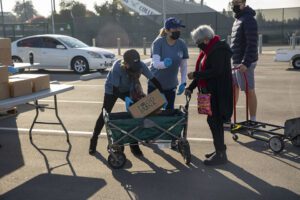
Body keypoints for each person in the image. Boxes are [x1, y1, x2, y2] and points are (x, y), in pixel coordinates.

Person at [89, 49, 162, 156]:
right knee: (105, 112)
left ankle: (133, 144)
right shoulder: (117, 67)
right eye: (132, 67)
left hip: (129, 89)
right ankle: (94, 139)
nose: (135, 69)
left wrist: (162, 92)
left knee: (135, 114)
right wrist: (127, 100)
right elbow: (115, 90)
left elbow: (153, 79)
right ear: (126, 64)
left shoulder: (140, 65)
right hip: (112, 89)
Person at [185, 25, 233, 166]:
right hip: (209, 93)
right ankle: (219, 150)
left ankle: (220, 154)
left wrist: (195, 75)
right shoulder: (209, 50)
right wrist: (192, 87)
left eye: (197, 42)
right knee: (213, 122)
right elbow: (204, 70)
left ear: (206, 40)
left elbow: (215, 71)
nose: (197, 45)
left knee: (215, 122)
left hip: (217, 93)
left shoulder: (218, 51)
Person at [148, 17, 189, 110]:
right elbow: (155, 63)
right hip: (155, 86)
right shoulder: (158, 43)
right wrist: (164, 64)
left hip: (171, 86)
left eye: (179, 28)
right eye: (174, 28)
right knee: (153, 116)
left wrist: (183, 82)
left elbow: (183, 66)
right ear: (167, 30)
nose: (177, 30)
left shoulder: (182, 44)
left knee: (169, 115)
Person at [230, 0, 258, 122]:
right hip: (236, 61)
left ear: (244, 2)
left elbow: (252, 43)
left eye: (237, 2)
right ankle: (228, 117)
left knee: (248, 89)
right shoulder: (238, 19)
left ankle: (253, 120)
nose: (235, 4)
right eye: (233, 2)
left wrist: (246, 63)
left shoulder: (248, 19)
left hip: (245, 62)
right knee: (234, 87)